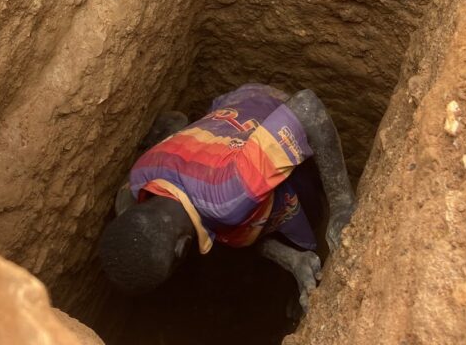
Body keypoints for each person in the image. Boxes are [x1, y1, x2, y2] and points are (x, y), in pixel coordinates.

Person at [98, 83, 355, 311]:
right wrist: (293, 260)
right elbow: (232, 234)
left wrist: (342, 204)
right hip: (227, 110)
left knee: (311, 209)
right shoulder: (138, 177)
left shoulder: (231, 198)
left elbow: (308, 108)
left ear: (183, 248)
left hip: (269, 105)